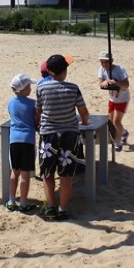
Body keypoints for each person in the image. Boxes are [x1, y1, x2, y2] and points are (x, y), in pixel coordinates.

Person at [36, 54, 89, 221]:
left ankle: (51, 206)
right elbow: (83, 111)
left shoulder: (41, 89)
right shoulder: (73, 88)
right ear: (64, 71)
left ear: (49, 71)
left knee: (48, 173)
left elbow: (38, 111)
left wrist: (38, 124)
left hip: (48, 135)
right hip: (69, 135)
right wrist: (86, 121)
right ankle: (63, 208)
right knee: (66, 176)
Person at [6, 73, 38, 213]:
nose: (30, 88)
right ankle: (23, 202)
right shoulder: (32, 104)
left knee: (15, 172)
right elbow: (36, 119)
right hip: (27, 140)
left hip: (14, 139)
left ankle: (11, 200)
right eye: (29, 86)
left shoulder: (11, 102)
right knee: (25, 174)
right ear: (23, 89)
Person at [98, 51, 130, 151]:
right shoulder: (102, 69)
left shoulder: (120, 69)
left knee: (117, 121)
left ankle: (118, 141)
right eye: (102, 62)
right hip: (112, 98)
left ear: (111, 61)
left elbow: (126, 84)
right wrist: (104, 82)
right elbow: (100, 83)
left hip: (122, 99)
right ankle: (124, 133)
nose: (104, 64)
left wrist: (116, 83)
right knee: (111, 121)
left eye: (106, 62)